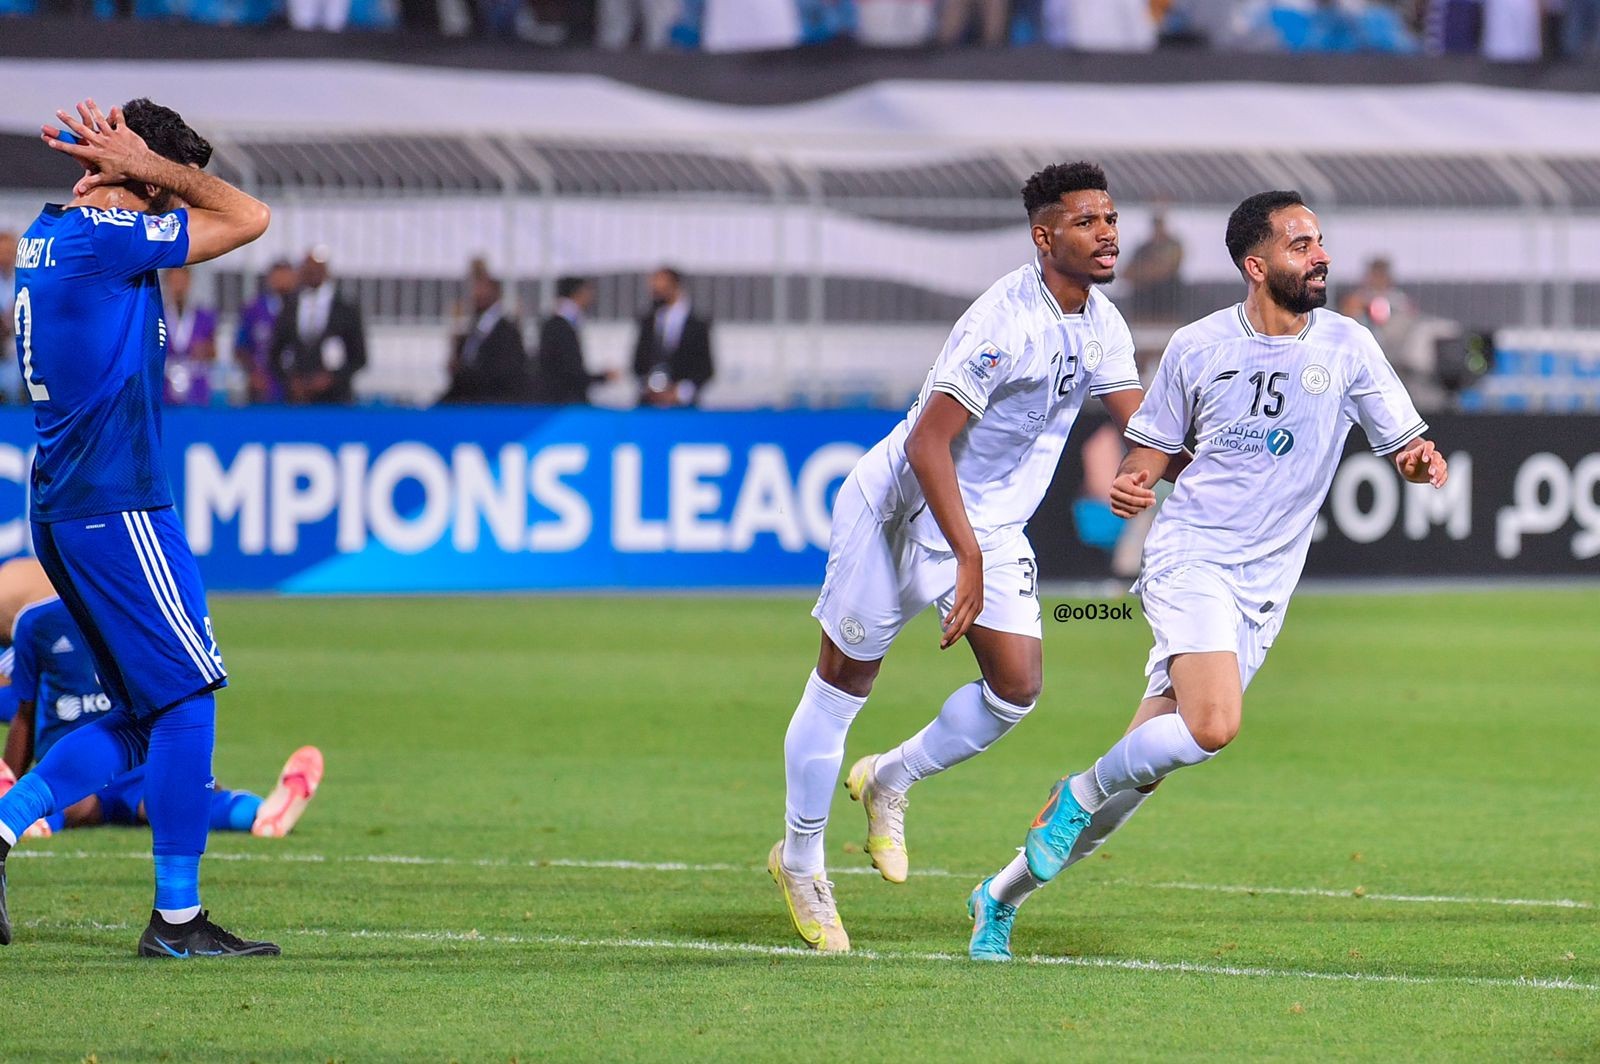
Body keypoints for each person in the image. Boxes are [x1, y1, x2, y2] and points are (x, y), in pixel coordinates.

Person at [966, 190, 1449, 962]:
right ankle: (1076, 790)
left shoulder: (1349, 346)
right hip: (1191, 555)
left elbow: (1406, 446)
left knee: (1143, 775)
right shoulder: (1197, 347)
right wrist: (1134, 482)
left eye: (1320, 241)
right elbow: (1150, 454)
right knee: (1213, 727)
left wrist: (1419, 461)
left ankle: (998, 897)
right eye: (1300, 245)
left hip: (1266, 587)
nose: (1321, 255)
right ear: (1257, 265)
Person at [770, 162, 1187, 953]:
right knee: (844, 682)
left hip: (986, 525)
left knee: (1016, 687)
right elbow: (928, 443)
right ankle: (800, 861)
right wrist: (966, 559)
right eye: (1086, 222)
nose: (1107, 234)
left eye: (1110, 219)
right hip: (901, 509)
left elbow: (1145, 428)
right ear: (1044, 237)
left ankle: (890, 777)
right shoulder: (1004, 320)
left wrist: (1174, 473)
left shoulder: (1102, 322)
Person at [0, 96, 278, 958]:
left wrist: (134, 169)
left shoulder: (53, 232)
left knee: (141, 712)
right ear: (141, 183)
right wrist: (145, 169)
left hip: (73, 503)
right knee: (188, 700)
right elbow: (251, 216)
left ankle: (2, 825)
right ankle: (178, 922)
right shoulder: (106, 237)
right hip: (115, 504)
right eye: (165, 185)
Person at [0, 597, 324, 841]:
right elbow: (24, 710)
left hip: (127, 768)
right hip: (97, 766)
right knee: (168, 805)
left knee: (168, 805)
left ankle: (266, 813)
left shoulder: (143, 613)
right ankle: (259, 814)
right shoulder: (38, 622)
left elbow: (23, 715)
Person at [270, 247, 367, 405]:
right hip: (297, 399)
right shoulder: (290, 305)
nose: (313, 272)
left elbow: (359, 356)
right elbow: (275, 352)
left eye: (318, 268)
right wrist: (291, 381)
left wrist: (332, 378)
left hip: (336, 400)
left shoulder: (345, 308)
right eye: (309, 268)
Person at [439, 270, 535, 404]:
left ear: (494, 291)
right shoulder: (476, 325)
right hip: (466, 397)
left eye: (481, 288)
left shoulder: (506, 330)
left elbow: (504, 371)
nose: (475, 293)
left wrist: (468, 374)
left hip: (492, 401)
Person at [631, 266, 713, 407]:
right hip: (650, 403)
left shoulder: (697, 323)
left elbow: (705, 368)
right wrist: (651, 389)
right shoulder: (648, 320)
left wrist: (680, 392)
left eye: (662, 286)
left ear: (675, 286)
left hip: (684, 407)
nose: (656, 291)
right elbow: (638, 363)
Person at [532, 276, 614, 405]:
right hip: (562, 402)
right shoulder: (560, 326)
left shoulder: (562, 323)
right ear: (579, 292)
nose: (591, 296)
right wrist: (601, 377)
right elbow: (568, 370)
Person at [234, 259, 296, 404]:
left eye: (286, 276)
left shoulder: (302, 307)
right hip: (262, 384)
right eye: (278, 276)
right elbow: (241, 347)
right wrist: (252, 373)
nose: (282, 281)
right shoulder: (254, 309)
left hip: (295, 384)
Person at [160, 266, 218, 406]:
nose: (179, 288)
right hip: (164, 390)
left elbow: (214, 352)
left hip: (197, 389)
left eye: (182, 282)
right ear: (167, 284)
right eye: (175, 282)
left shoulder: (204, 316)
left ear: (189, 283)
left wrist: (205, 350)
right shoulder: (156, 316)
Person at [1121, 209, 1185, 322]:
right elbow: (1126, 273)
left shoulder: (1173, 245)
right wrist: (1145, 273)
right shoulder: (1143, 248)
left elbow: (1168, 269)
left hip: (1166, 293)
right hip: (1145, 294)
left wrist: (1145, 273)